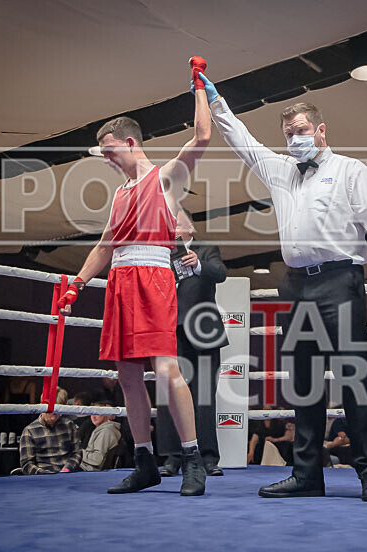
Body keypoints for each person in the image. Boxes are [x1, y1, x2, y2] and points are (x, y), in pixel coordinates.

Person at [200, 72, 367, 502]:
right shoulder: (280, 170)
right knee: (304, 382)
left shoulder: (351, 169)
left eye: (301, 131)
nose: (295, 138)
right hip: (296, 285)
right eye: (288, 133)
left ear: (320, 130)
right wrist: (213, 100)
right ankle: (307, 475)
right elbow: (239, 138)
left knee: (354, 380)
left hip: (340, 281)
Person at [57, 58, 212, 496]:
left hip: (153, 277)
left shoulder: (164, 179)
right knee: (127, 377)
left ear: (129, 142)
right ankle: (144, 461)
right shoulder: (120, 194)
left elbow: (201, 137)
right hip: (121, 283)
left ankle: (192, 459)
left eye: (109, 151)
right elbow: (105, 245)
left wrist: (198, 85)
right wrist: (80, 282)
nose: (106, 159)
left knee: (165, 370)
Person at [157, 209, 229, 477]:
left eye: (177, 220)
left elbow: (220, 273)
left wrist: (198, 264)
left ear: (190, 225)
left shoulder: (206, 247)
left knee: (205, 395)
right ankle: (172, 457)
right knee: (170, 395)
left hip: (204, 330)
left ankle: (209, 457)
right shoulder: (163, 252)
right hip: (171, 330)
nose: (173, 225)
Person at [19, 387, 81, 475]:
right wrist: (46, 475)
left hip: (68, 475)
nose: (52, 417)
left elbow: (76, 453)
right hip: (42, 479)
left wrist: (66, 470)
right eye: (49, 412)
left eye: (57, 413)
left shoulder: (69, 425)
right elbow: (26, 464)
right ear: (41, 406)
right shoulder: (29, 431)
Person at [80, 401, 123, 472]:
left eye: (97, 413)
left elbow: (97, 460)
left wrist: (77, 453)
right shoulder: (102, 429)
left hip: (89, 469)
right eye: (91, 413)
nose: (93, 416)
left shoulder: (106, 431)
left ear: (105, 414)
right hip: (85, 466)